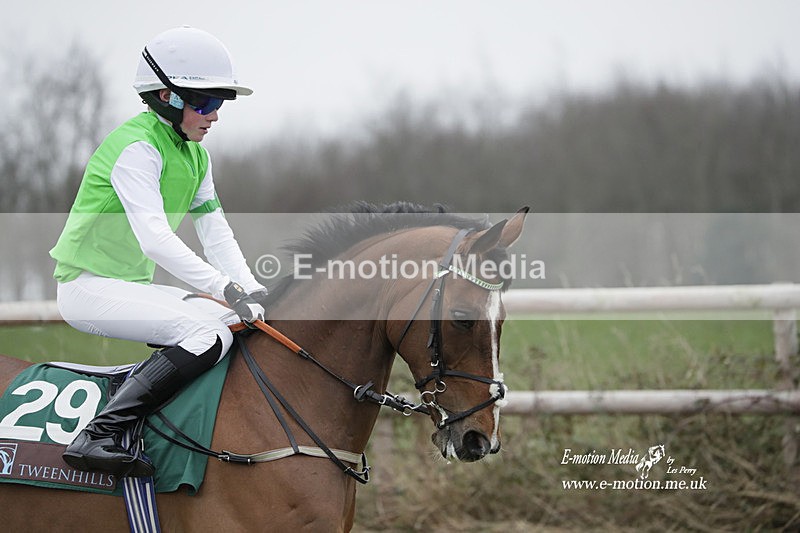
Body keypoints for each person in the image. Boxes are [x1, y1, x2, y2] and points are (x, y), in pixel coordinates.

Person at [49, 26, 268, 478]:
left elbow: (216, 232)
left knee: (232, 322)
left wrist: (251, 289)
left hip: (127, 286)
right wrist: (221, 286)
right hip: (86, 289)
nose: (214, 116)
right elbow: (155, 239)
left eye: (219, 104)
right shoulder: (137, 148)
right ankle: (100, 434)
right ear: (167, 97)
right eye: (205, 103)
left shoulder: (195, 156)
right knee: (207, 334)